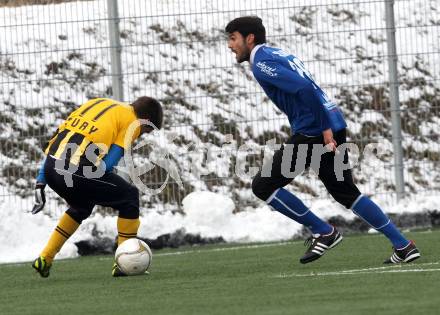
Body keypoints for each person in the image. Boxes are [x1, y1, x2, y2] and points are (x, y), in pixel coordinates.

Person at [225, 16, 420, 264]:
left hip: (314, 131)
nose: (230, 46)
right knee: (345, 192)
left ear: (249, 38)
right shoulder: (276, 53)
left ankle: (324, 231)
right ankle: (403, 245)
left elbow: (304, 89)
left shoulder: (262, 62)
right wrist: (328, 126)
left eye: (233, 39)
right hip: (331, 123)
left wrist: (323, 128)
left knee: (263, 185)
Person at [31, 96, 163, 277]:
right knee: (129, 196)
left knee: (82, 205)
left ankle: (45, 258)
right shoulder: (132, 122)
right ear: (145, 120)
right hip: (75, 170)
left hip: (50, 168)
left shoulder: (98, 103)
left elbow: (57, 143)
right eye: (146, 131)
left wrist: (41, 181)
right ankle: (123, 263)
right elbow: (107, 165)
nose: (142, 134)